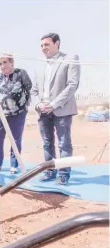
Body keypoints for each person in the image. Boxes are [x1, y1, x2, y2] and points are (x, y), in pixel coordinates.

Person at [31, 33, 80, 185]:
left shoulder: (70, 59)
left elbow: (72, 85)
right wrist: (38, 105)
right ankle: (50, 171)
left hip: (61, 109)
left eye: (46, 44)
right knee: (47, 143)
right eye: (41, 46)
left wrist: (54, 104)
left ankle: (64, 174)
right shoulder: (40, 65)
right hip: (43, 111)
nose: (43, 48)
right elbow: (33, 90)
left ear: (57, 43)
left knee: (64, 143)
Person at [0, 54, 32, 174]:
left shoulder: (21, 73)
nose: (3, 66)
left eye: (5, 62)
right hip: (1, 113)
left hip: (18, 112)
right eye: (0, 64)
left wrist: (23, 104)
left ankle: (14, 165)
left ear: (12, 63)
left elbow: (29, 87)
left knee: (15, 139)